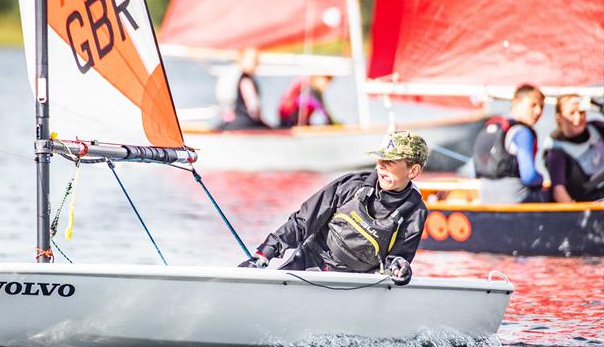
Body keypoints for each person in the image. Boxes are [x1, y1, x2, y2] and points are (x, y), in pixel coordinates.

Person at [238, 130, 429, 286]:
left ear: (413, 171)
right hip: (310, 263)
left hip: (356, 283)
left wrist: (399, 267)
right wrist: (263, 256)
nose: (381, 167)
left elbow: (396, 259)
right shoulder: (350, 185)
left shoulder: (415, 212)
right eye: (380, 160)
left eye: (391, 162)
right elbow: (301, 223)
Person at [472, 83, 549, 203]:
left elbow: (475, 171)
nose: (538, 111)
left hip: (486, 200)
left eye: (542, 106)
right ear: (516, 103)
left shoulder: (492, 126)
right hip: (515, 201)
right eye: (533, 105)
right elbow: (529, 176)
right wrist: (541, 179)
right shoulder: (522, 132)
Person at [543, 94, 604, 202]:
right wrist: (576, 215)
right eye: (571, 113)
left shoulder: (597, 127)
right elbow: (558, 190)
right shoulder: (556, 151)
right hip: (590, 204)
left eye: (581, 112)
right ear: (559, 118)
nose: (578, 118)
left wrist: (599, 107)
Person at [218, 48, 270, 130]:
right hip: (246, 121)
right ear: (242, 60)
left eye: (256, 60)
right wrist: (264, 123)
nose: (255, 63)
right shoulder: (246, 80)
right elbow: (253, 108)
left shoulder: (241, 78)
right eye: (253, 60)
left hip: (239, 119)